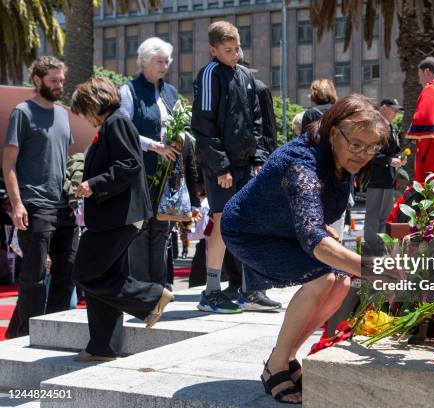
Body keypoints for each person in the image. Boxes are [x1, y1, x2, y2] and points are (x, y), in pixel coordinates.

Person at [221, 94, 389, 404]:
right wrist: (375, 270)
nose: (363, 155)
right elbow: (311, 235)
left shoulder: (340, 155)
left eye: (371, 148)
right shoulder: (300, 162)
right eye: (356, 145)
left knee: (341, 279)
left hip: (285, 229)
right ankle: (275, 366)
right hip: (249, 231)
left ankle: (286, 357)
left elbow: (311, 215)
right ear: (334, 133)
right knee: (322, 278)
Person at [70, 77, 173, 361]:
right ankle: (102, 346)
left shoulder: (117, 122)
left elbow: (129, 165)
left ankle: (152, 296)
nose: (86, 119)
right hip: (115, 215)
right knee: (104, 277)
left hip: (118, 216)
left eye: (85, 111)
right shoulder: (113, 124)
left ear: (94, 103)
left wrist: (93, 184)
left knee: (85, 273)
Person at [191, 20, 280, 313]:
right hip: (222, 168)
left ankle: (249, 291)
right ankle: (211, 292)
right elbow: (202, 127)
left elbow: (256, 122)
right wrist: (220, 167)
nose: (235, 54)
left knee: (247, 225)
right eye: (228, 50)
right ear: (213, 49)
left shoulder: (244, 76)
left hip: (246, 165)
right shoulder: (208, 75)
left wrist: (258, 159)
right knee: (222, 224)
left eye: (238, 48)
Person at [3, 56, 79, 338]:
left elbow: (67, 159)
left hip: (64, 206)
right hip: (35, 205)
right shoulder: (22, 113)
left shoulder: (63, 113)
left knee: (67, 269)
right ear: (37, 80)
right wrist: (17, 203)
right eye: (53, 81)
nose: (59, 85)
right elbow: (8, 163)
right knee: (33, 276)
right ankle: (26, 337)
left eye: (61, 80)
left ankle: (54, 332)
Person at [119, 37, 200, 287]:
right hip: (141, 173)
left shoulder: (171, 92)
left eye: (167, 61)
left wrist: (181, 140)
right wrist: (153, 145)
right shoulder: (129, 90)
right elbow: (123, 129)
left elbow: (181, 127)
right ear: (144, 62)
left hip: (168, 175)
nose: (164, 66)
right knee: (140, 230)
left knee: (162, 229)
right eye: (159, 61)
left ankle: (160, 287)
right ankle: (141, 288)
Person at [364, 98, 405, 254]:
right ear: (383, 107)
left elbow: (394, 150)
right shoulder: (374, 125)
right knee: (373, 215)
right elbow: (370, 151)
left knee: (384, 216)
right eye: (393, 109)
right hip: (375, 178)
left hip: (389, 179)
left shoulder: (391, 127)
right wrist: (389, 160)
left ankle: (380, 248)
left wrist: (400, 158)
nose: (395, 113)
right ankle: (370, 249)